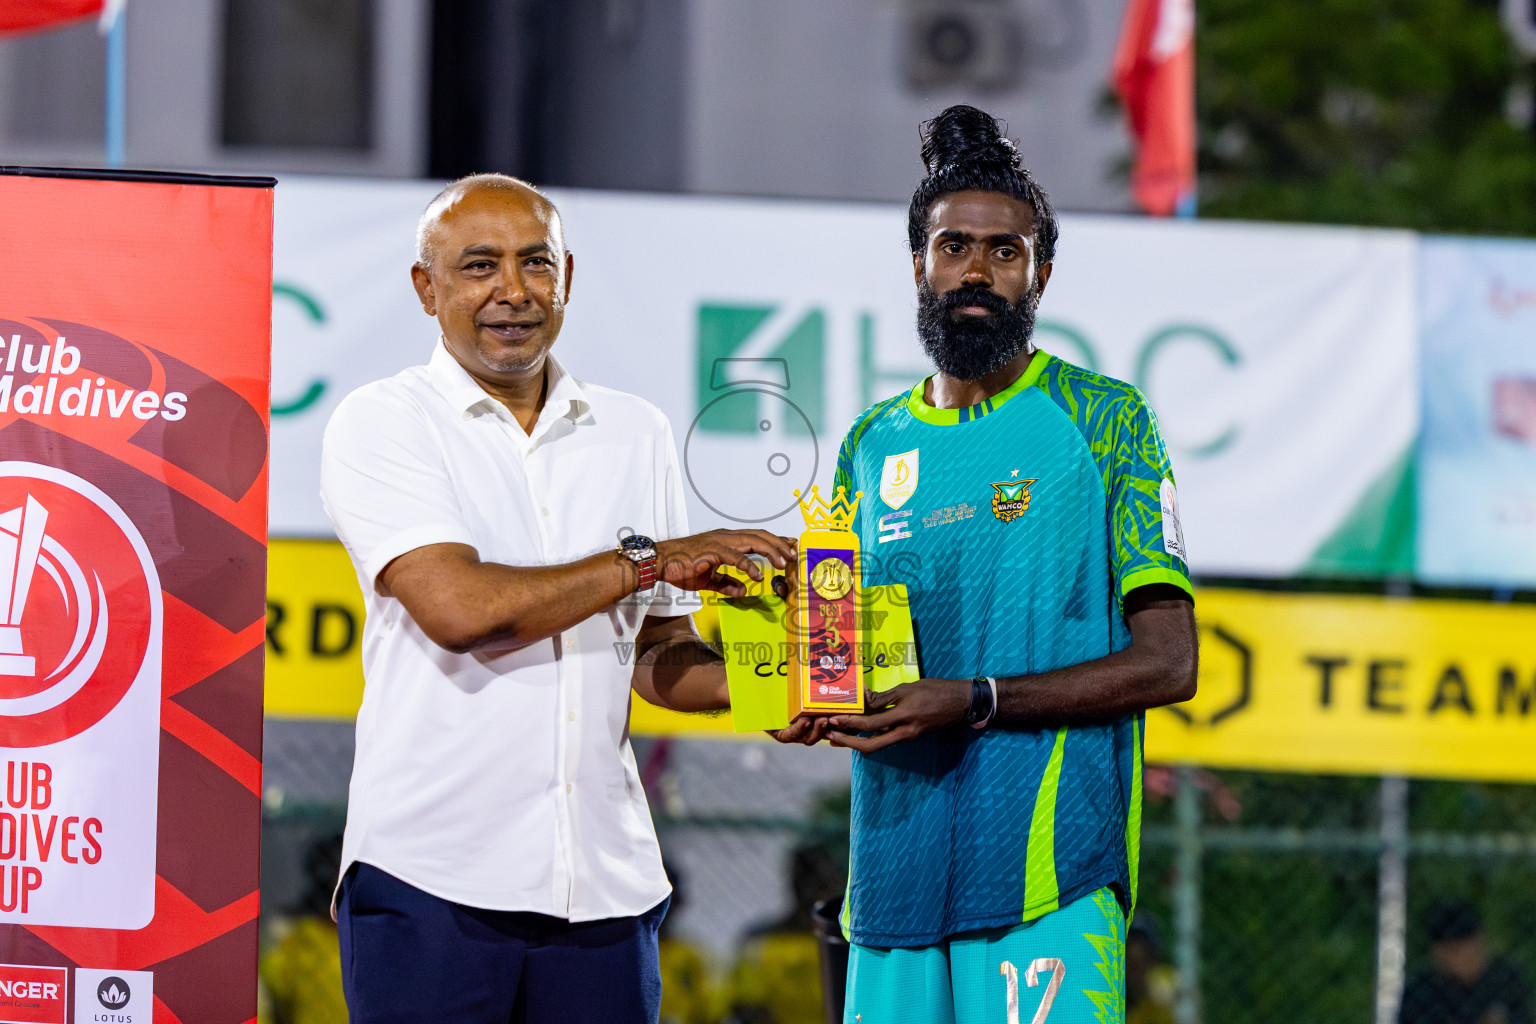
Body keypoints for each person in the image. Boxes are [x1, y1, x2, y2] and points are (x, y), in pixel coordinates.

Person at [319, 173, 797, 1024]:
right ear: (427, 288)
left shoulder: (634, 430)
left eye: (535, 263)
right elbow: (463, 610)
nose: (513, 290)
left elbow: (657, 657)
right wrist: (650, 560)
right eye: (479, 266)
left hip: (605, 892)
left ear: (567, 276)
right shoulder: (383, 421)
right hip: (432, 883)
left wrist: (787, 682)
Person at [780, 105, 1199, 1023]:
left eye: (1004, 253)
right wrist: (802, 690)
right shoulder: (868, 443)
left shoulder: (1108, 420)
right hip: (890, 886)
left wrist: (973, 699)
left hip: (1048, 876)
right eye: (954, 246)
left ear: (1040, 272)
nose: (977, 270)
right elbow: (836, 657)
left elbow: (1170, 664)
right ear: (919, 264)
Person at [1399, 898, 1530, 1024]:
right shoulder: (1420, 990)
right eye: (1455, 951)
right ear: (1439, 953)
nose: (1466, 957)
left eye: (1473, 947)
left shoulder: (1507, 977)